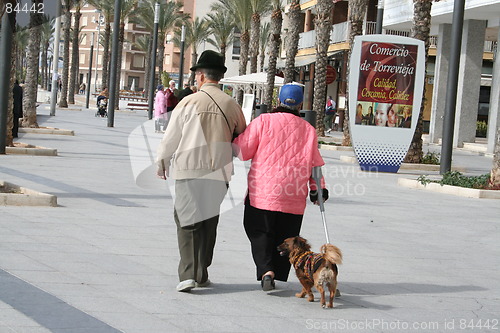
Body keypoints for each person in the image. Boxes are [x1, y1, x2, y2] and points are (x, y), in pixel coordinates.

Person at [156, 50, 247, 292]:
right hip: (220, 171)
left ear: (200, 76)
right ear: (220, 76)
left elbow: (171, 136)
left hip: (189, 169)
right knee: (209, 220)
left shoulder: (189, 101)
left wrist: (161, 161)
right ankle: (202, 271)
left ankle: (188, 274)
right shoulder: (231, 104)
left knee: (187, 220)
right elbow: (242, 136)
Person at [232, 83, 329, 292]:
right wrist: (318, 189)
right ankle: (278, 269)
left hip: (263, 192)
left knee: (259, 231)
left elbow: (242, 151)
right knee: (285, 236)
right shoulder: (309, 130)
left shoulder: (263, 121)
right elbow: (315, 164)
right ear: (300, 104)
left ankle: (267, 270)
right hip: (293, 195)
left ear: (279, 101)